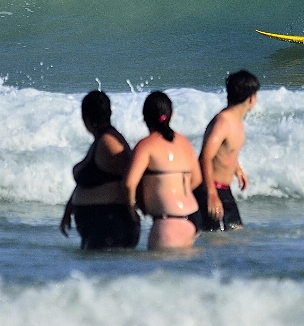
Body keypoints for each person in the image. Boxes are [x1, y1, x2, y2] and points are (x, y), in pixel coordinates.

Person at [60, 91, 140, 249]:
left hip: (110, 224)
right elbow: (93, 179)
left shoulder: (109, 142)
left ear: (85, 118)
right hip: (102, 225)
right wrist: (69, 208)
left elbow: (130, 179)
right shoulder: (101, 140)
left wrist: (131, 210)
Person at [125, 91, 202, 250]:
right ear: (170, 115)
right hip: (194, 216)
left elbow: (128, 184)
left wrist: (131, 209)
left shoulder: (146, 145)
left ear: (145, 117)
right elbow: (197, 179)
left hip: (169, 221)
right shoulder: (184, 142)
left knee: (157, 273)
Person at [192, 70, 258, 231]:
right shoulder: (223, 122)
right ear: (251, 98)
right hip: (212, 190)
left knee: (238, 235)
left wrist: (237, 169)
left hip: (224, 190)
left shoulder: (236, 121)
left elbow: (225, 151)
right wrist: (212, 195)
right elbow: (205, 157)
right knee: (218, 242)